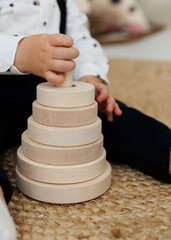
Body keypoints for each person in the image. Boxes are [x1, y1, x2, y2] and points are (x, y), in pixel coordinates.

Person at [0, 0, 170, 239]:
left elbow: (79, 36)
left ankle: (165, 149)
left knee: (113, 115)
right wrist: (18, 51)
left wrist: (91, 75)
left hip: (54, 88)